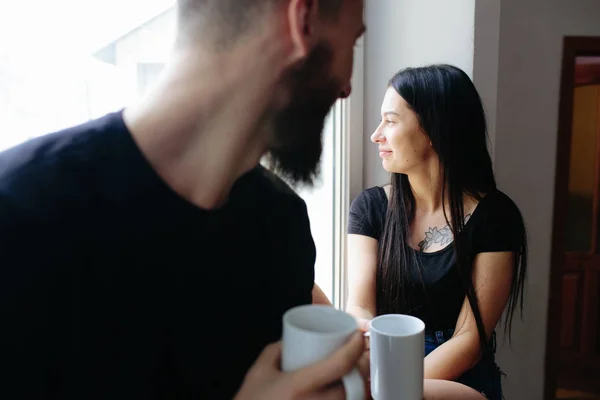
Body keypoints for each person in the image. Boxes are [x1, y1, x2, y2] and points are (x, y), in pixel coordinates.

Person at [0, 0, 368, 398]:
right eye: (354, 44)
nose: (347, 87)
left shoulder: (282, 224)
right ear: (304, 21)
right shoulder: (16, 217)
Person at [345, 65, 528, 400]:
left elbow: (468, 342)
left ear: (432, 128)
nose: (376, 135)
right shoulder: (370, 207)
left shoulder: (495, 217)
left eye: (391, 120)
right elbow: (360, 308)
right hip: (384, 366)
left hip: (458, 379)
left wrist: (394, 388)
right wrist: (376, 377)